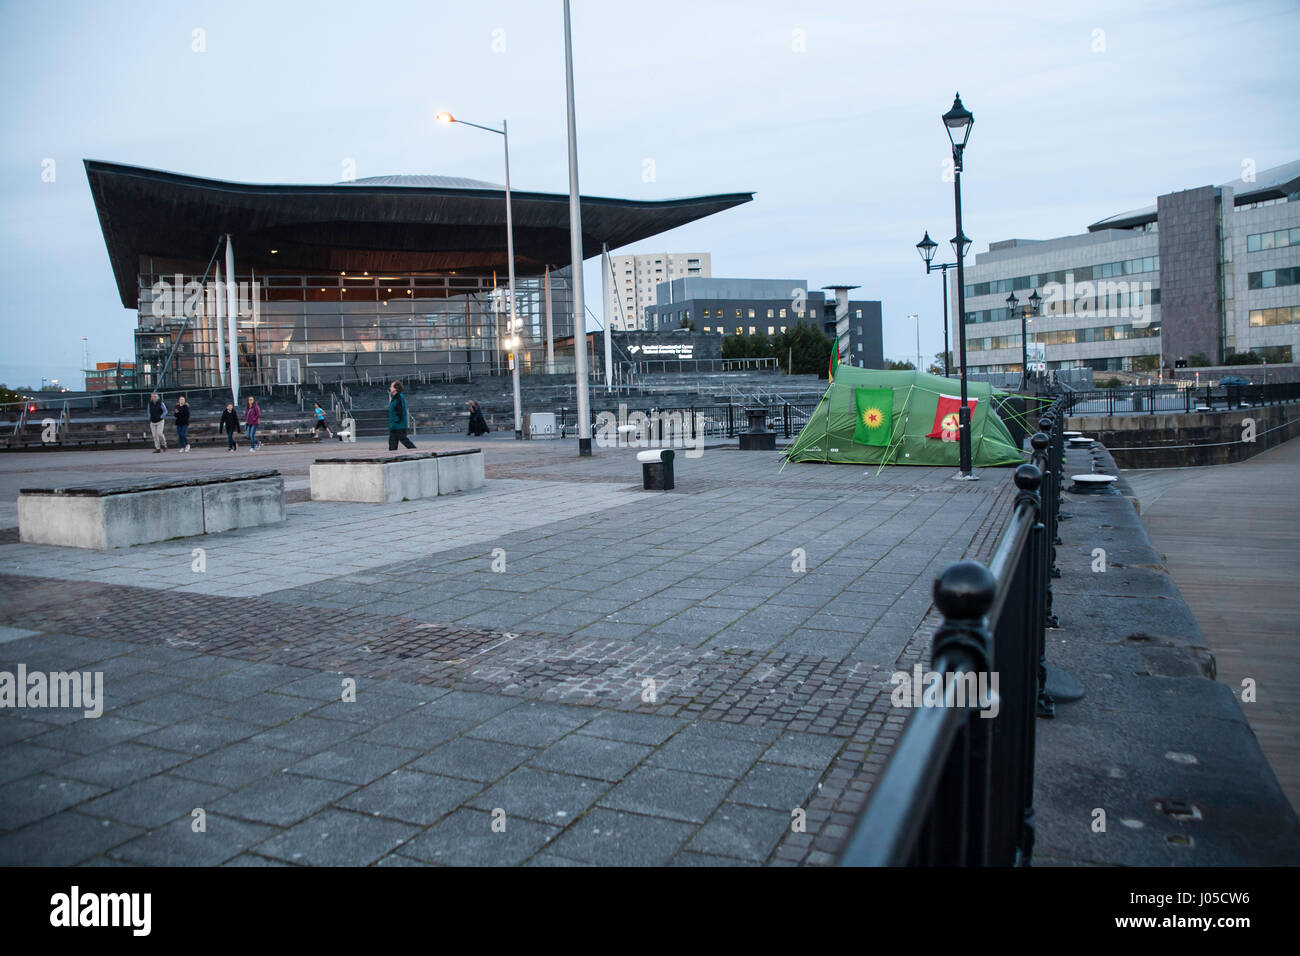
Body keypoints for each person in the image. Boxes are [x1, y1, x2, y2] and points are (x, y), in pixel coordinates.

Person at [387, 381, 416, 450]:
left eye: (391, 386)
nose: (390, 388)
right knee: (392, 443)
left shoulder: (399, 397)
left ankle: (415, 452)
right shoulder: (395, 397)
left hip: (398, 425)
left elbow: (400, 411)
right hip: (395, 426)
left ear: (395, 388)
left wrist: (395, 420)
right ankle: (392, 457)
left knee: (404, 440)